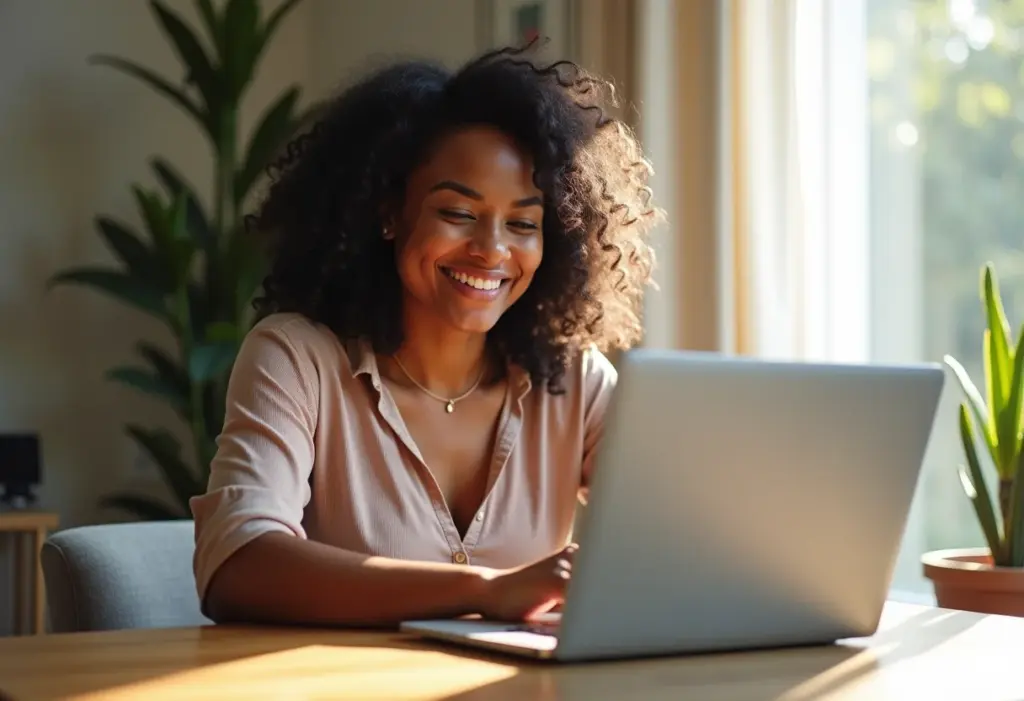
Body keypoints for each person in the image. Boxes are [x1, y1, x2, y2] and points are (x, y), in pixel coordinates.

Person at [190, 43, 660, 629]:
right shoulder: (296, 358)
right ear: (388, 214)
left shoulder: (574, 380)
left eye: (522, 223)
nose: (492, 251)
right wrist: (485, 590)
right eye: (458, 214)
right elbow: (237, 566)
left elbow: (678, 534)